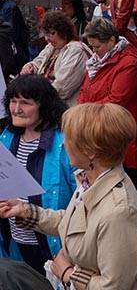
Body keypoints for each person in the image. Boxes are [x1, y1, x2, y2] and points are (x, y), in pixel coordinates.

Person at [0, 103, 137, 289]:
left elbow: (114, 286)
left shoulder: (119, 211)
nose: (64, 143)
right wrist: (25, 211)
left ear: (91, 151)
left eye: (69, 138)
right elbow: (73, 224)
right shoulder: (89, 181)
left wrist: (67, 273)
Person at [0, 75, 75, 275]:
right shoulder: (6, 138)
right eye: (13, 101)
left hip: (53, 247)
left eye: (25, 103)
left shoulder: (65, 145)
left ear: (44, 106)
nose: (16, 109)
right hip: (15, 243)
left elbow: (81, 201)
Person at [78, 19, 137, 200]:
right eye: (91, 47)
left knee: (130, 185)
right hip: (99, 129)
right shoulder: (98, 60)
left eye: (97, 46)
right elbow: (85, 90)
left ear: (111, 41)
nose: (94, 51)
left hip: (119, 132)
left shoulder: (129, 63)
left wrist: (84, 112)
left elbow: (116, 99)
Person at [20, 11, 91, 106]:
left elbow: (62, 88)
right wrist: (30, 66)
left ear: (63, 31)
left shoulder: (76, 51)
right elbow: (38, 62)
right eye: (45, 34)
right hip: (47, 103)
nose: (47, 38)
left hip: (66, 109)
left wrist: (34, 95)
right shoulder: (52, 47)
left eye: (51, 33)